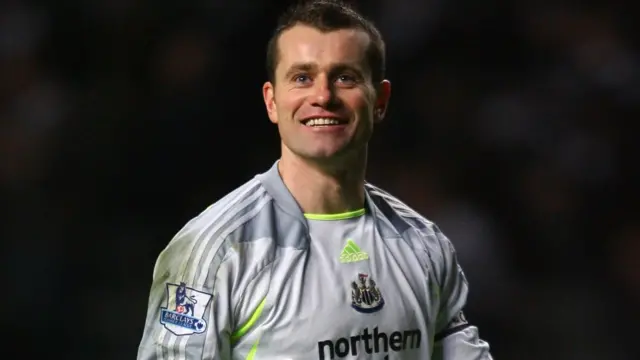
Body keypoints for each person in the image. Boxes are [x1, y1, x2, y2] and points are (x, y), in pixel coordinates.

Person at [137, 0, 493, 359]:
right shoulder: (216, 249)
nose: (323, 96)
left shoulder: (423, 244)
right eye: (302, 78)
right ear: (271, 101)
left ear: (380, 101)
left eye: (344, 77)